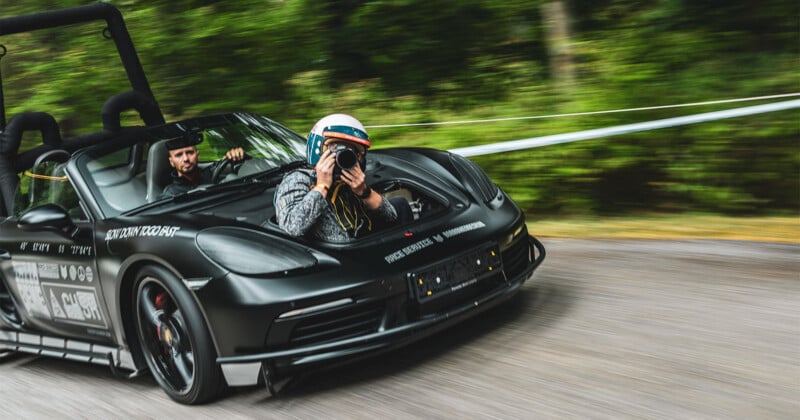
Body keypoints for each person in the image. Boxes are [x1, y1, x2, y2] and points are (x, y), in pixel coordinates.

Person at [275, 113, 398, 241]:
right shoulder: (298, 179)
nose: (344, 155)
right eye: (335, 147)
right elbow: (292, 227)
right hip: (339, 254)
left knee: (401, 204)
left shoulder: (350, 177)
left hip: (361, 240)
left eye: (353, 151)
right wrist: (322, 187)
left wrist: (364, 191)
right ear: (319, 147)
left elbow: (391, 216)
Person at [159, 131, 246, 198]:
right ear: (171, 162)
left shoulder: (213, 172)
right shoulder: (170, 194)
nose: (185, 159)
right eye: (179, 155)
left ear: (198, 156)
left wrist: (238, 157)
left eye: (190, 152)